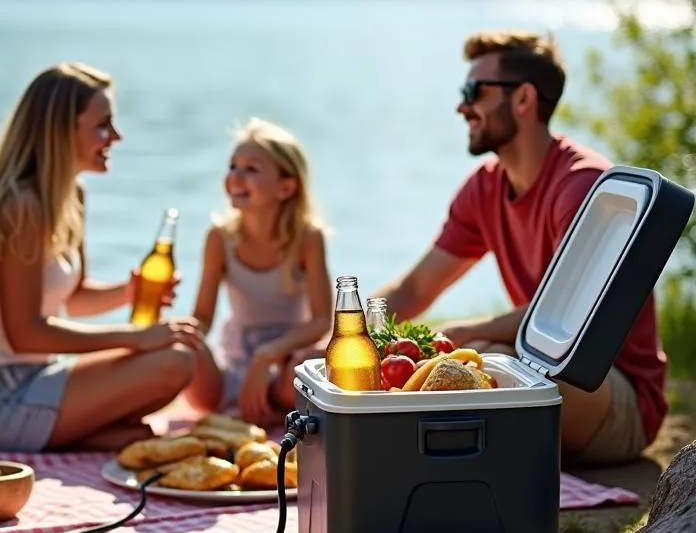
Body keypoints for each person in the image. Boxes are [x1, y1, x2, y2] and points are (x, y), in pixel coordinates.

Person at [375, 30, 668, 466]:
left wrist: (461, 331)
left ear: (524, 99)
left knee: (488, 360)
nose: (462, 106)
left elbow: (566, 321)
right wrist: (346, 335)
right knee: (466, 358)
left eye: (474, 91)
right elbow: (417, 286)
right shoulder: (485, 188)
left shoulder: (582, 186)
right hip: (544, 373)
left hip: (614, 396)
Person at [0, 62, 199, 453]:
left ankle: (80, 434)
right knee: (173, 362)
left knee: (182, 355)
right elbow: (25, 332)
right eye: (103, 125)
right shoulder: (21, 208)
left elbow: (74, 299)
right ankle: (80, 436)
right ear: (61, 132)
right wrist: (135, 337)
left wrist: (128, 293)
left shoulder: (70, 196)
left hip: (41, 376)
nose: (116, 136)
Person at [186, 117, 332, 424]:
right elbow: (202, 318)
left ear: (286, 187)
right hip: (235, 363)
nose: (235, 177)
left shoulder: (308, 238)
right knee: (184, 351)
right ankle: (255, 407)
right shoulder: (219, 238)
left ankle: (275, 405)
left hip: (286, 361)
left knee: (315, 361)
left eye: (251, 169)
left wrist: (269, 354)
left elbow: (321, 320)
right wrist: (177, 336)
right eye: (232, 166)